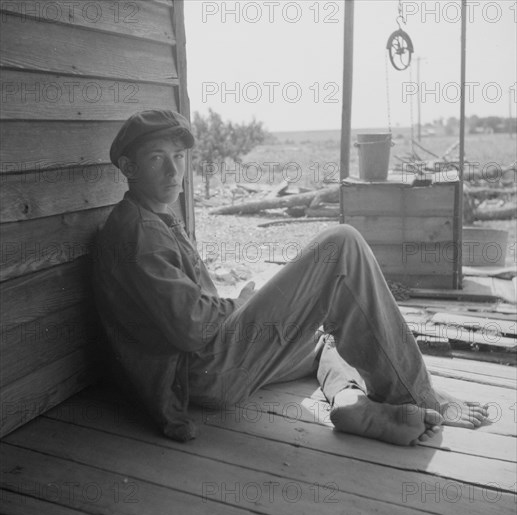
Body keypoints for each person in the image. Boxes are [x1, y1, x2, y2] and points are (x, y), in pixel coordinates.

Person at [94, 109, 488, 445]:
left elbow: (181, 308)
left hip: (207, 365)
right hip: (203, 371)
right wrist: (242, 303)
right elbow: (192, 328)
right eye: (156, 158)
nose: (173, 170)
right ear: (128, 168)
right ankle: (418, 398)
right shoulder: (139, 234)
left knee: (324, 335)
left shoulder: (149, 216)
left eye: (179, 156)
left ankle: (350, 401)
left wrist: (243, 300)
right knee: (341, 244)